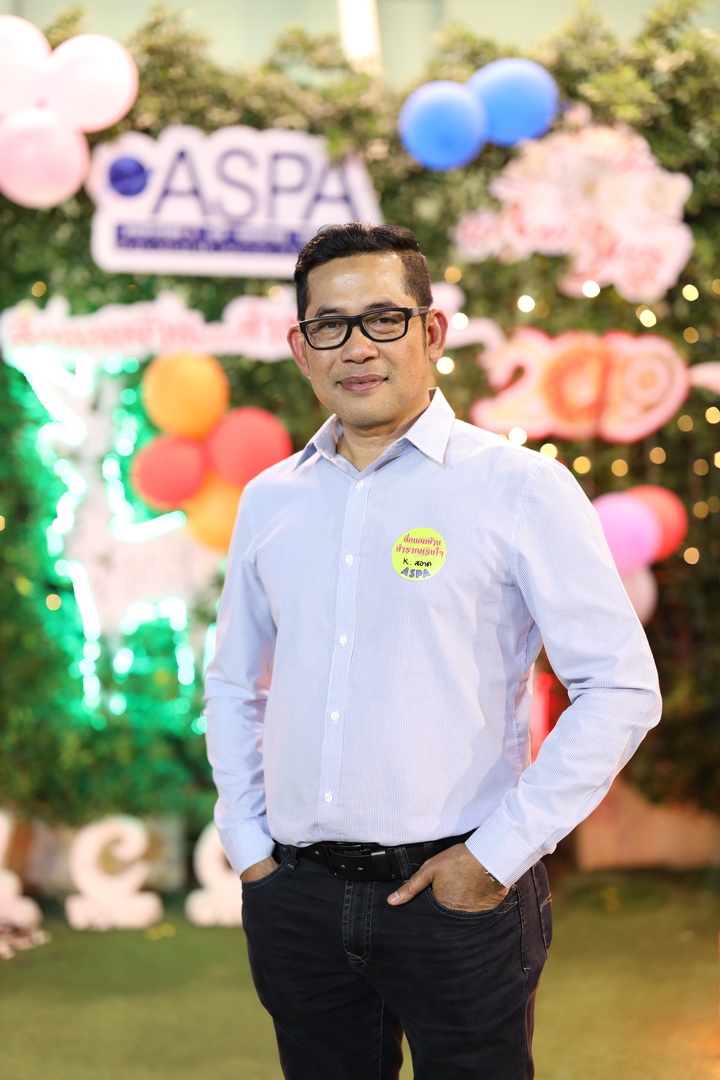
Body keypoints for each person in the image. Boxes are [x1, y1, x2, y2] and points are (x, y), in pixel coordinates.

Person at [204, 222, 662, 1080]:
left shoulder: (520, 487)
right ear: (302, 349)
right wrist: (249, 848)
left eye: (384, 318)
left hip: (457, 898)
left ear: (432, 331)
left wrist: (496, 857)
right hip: (296, 900)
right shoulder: (271, 500)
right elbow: (234, 683)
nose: (357, 347)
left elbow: (620, 688)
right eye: (330, 325)